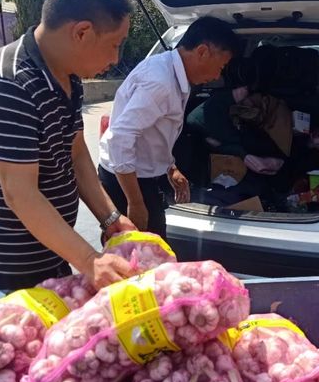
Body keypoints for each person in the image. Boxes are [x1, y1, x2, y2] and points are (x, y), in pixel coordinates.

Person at [0, 0, 136, 301]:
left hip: (53, 248)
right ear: (82, 32)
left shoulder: (66, 76)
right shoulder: (8, 83)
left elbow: (76, 155)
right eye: (115, 44)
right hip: (12, 263)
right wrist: (89, 261)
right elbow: (20, 193)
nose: (115, 59)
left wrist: (110, 217)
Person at [98, 16, 239, 237]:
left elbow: (155, 132)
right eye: (221, 66)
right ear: (202, 51)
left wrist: (170, 168)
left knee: (147, 249)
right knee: (136, 254)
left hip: (137, 175)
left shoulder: (172, 73)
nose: (217, 76)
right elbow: (120, 138)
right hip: (125, 180)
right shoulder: (160, 81)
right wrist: (135, 202)